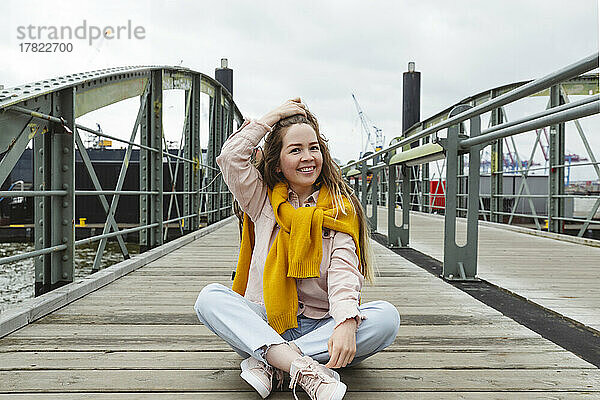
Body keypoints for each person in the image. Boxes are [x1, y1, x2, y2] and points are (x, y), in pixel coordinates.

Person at [194, 98, 400, 400]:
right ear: (277, 162)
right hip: (265, 321)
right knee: (209, 298)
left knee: (386, 318)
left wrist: (344, 322)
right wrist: (277, 115)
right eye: (296, 149)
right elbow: (231, 157)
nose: (307, 157)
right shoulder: (261, 200)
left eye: (313, 147)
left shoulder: (340, 208)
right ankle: (303, 368)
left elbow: (345, 271)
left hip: (321, 325)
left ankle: (275, 362)